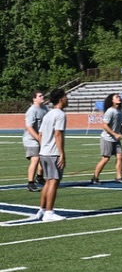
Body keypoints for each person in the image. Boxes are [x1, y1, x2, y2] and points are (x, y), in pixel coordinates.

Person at [37, 89, 69, 222]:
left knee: (48, 181)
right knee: (54, 182)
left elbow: (40, 135)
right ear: (61, 99)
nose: (67, 99)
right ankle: (49, 212)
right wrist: (61, 154)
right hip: (53, 153)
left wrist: (44, 147)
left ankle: (42, 209)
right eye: (66, 97)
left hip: (44, 152)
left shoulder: (48, 114)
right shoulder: (60, 114)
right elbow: (58, 134)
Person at [91, 93, 122, 184]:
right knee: (105, 158)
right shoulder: (110, 111)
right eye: (117, 97)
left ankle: (119, 177)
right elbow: (104, 125)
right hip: (107, 138)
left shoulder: (119, 111)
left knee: (120, 156)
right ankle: (95, 178)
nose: (119, 98)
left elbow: (120, 125)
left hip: (115, 139)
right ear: (112, 100)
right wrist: (115, 134)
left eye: (119, 97)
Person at [23, 90, 48, 192]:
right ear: (34, 99)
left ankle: (39, 177)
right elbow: (29, 127)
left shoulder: (44, 109)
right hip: (31, 139)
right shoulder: (32, 111)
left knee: (43, 157)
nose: (42, 97)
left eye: (42, 95)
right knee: (36, 159)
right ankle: (30, 183)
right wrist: (38, 138)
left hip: (41, 138)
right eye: (40, 96)